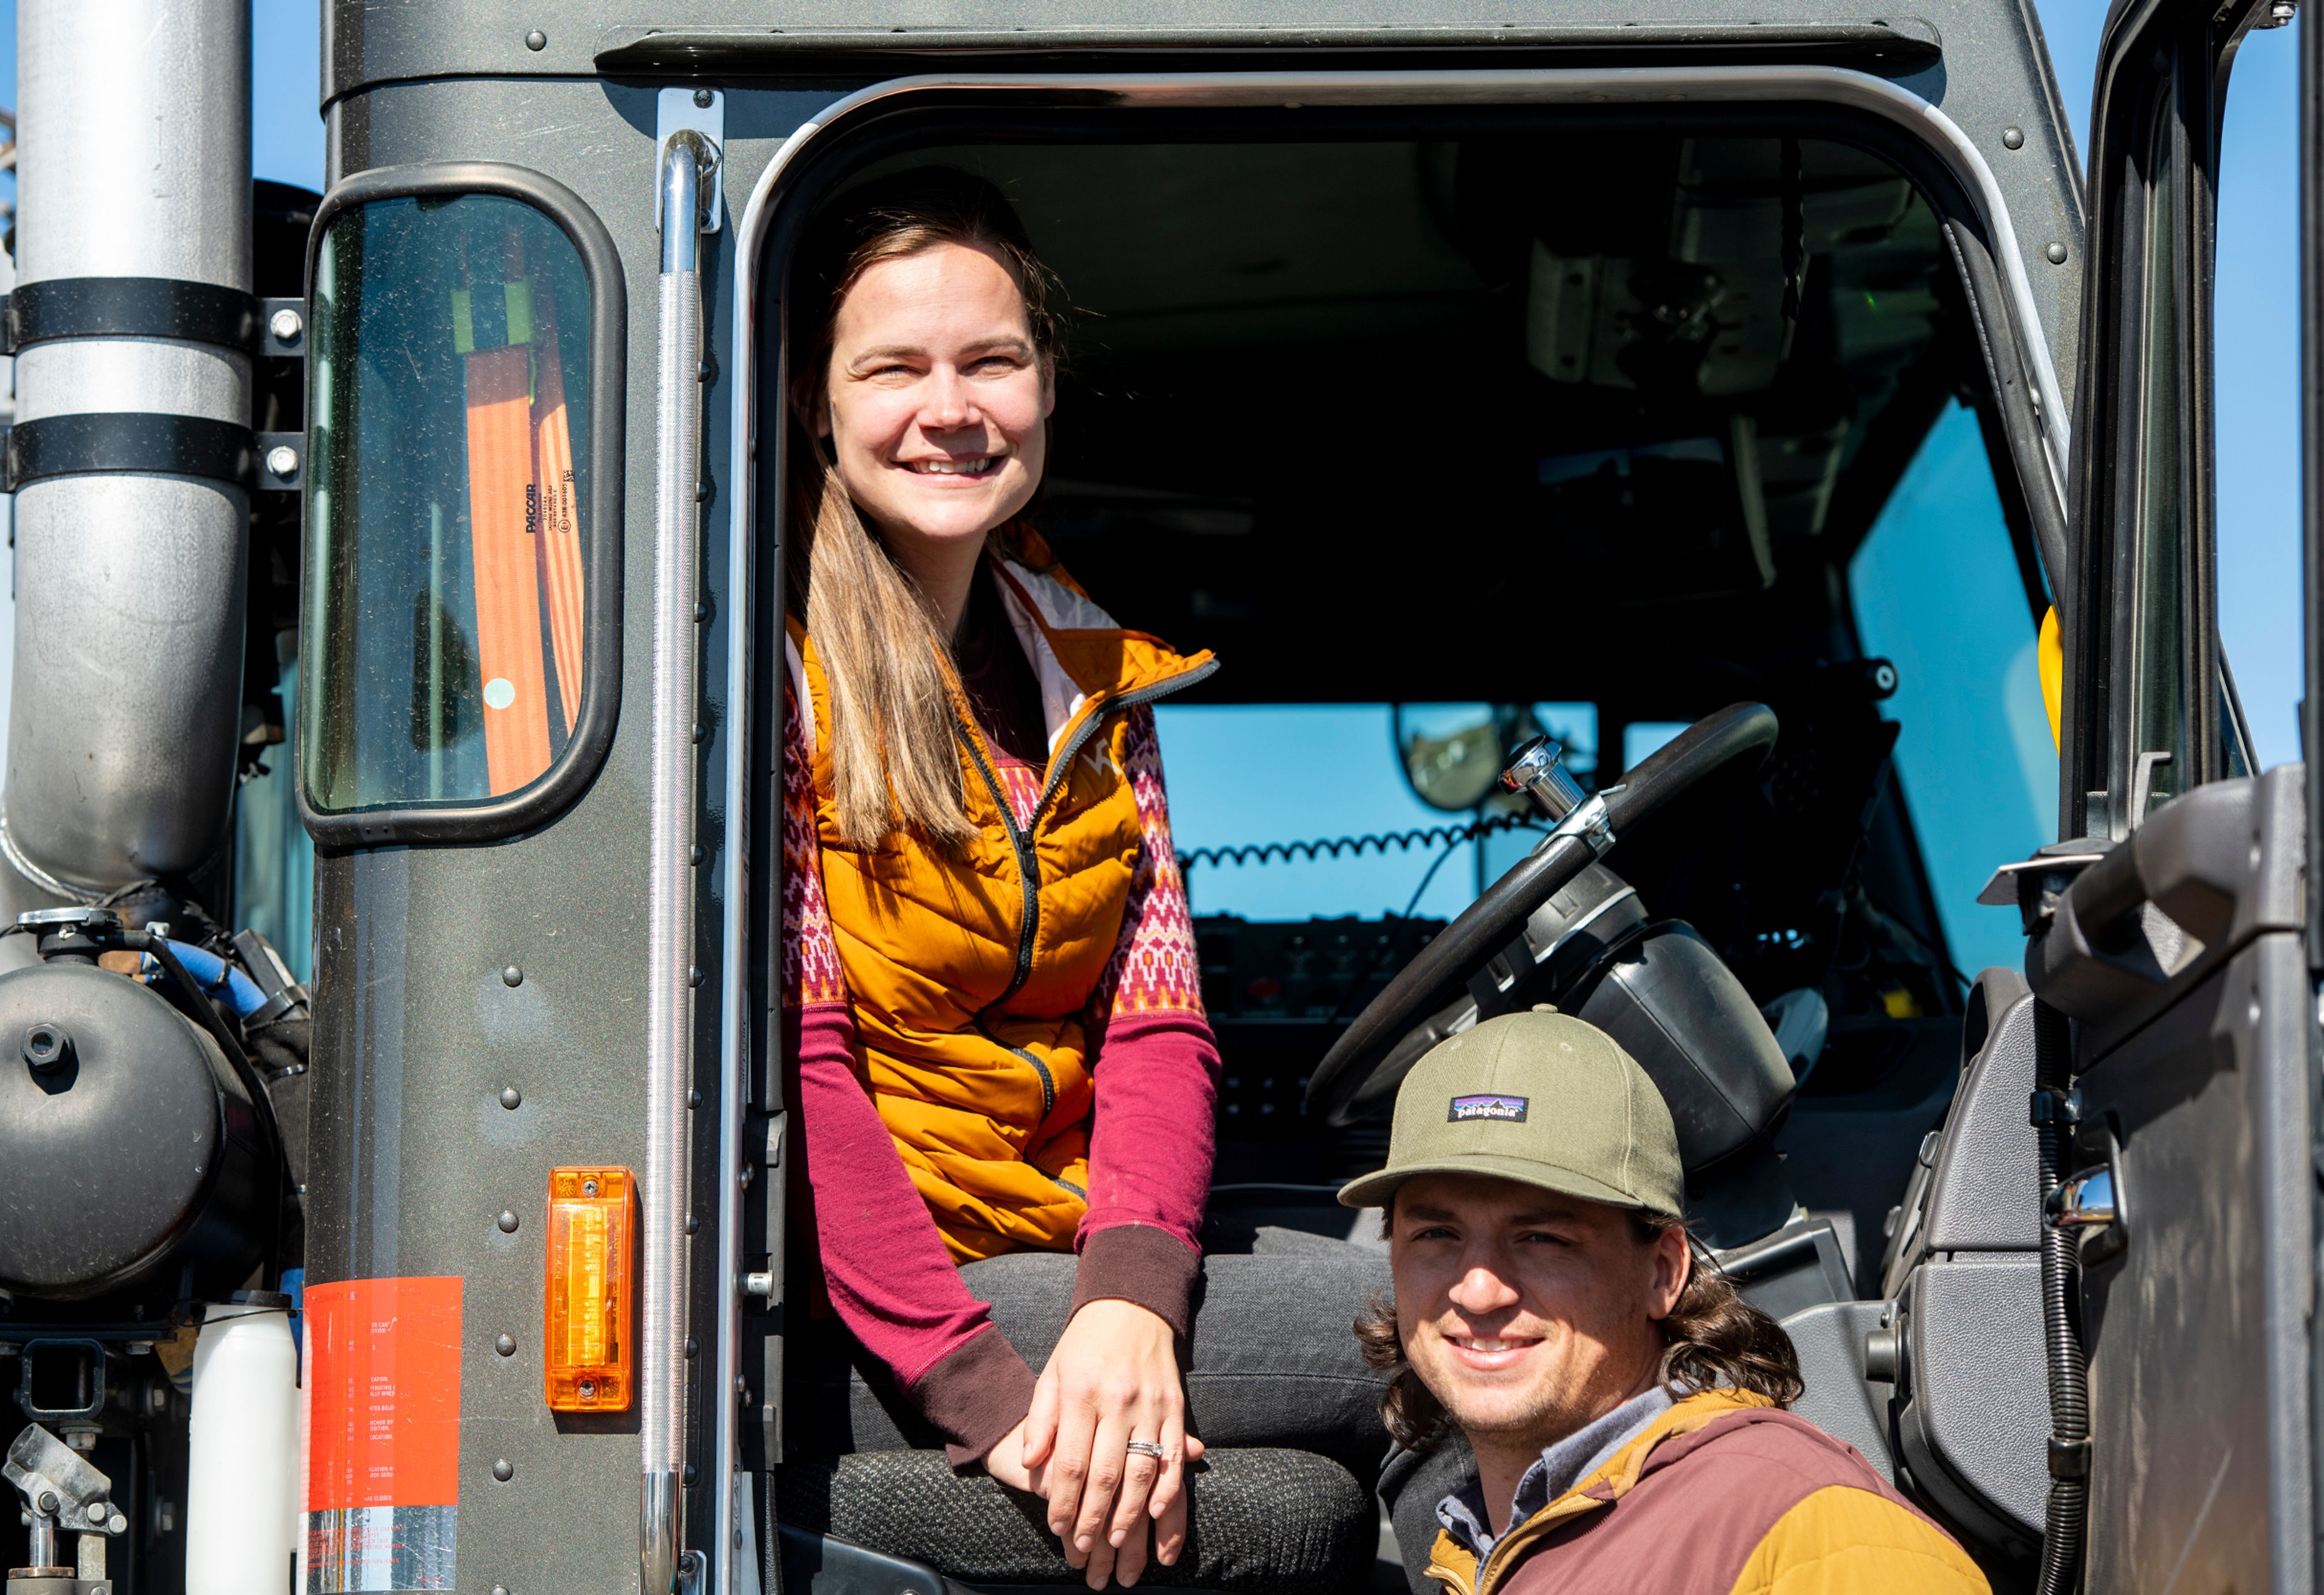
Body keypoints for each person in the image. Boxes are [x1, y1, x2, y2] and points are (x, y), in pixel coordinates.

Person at [779, 166, 1387, 1590]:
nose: (950, 405)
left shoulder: (1090, 673)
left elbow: (1157, 1028)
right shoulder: (776, 677)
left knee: (1319, 1477)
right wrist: (994, 1397)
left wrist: (1127, 1304)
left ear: (1043, 385)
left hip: (1060, 1253)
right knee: (1452, 1315)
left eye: (991, 359)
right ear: (817, 400)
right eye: (894, 367)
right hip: (896, 1295)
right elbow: (805, 1075)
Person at [1343, 1008, 1992, 1594]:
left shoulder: (1810, 1528)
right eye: (1436, 1233)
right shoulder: (1475, 1541)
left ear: (1663, 1269)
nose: (1478, 1289)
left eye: (1542, 1237)